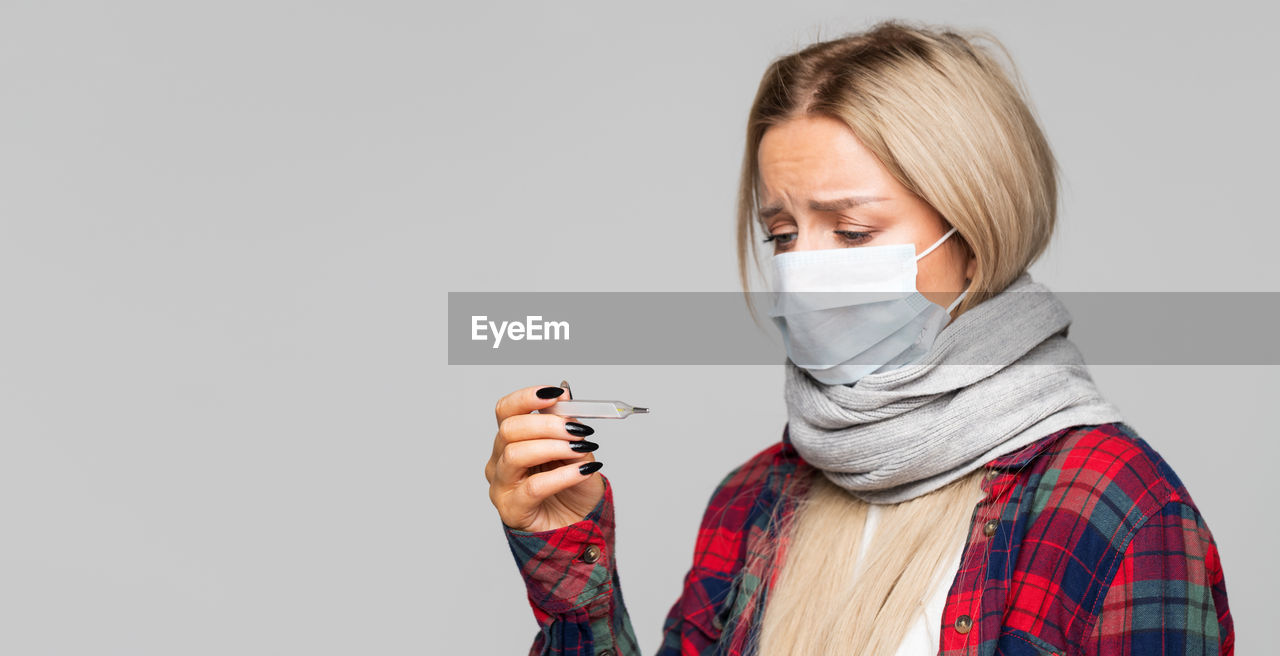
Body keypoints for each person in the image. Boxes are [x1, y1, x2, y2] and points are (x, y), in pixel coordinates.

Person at [483, 19, 1233, 656]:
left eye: (851, 231)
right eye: (781, 233)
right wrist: (571, 565)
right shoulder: (753, 500)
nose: (804, 270)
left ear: (975, 233)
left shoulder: (1118, 508)